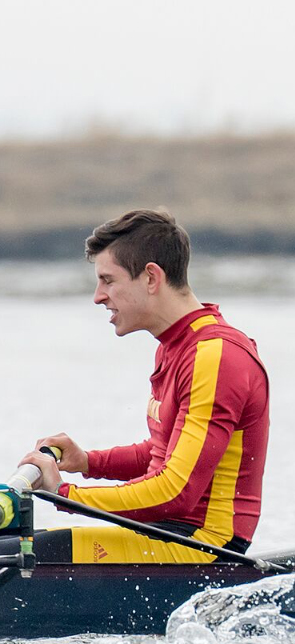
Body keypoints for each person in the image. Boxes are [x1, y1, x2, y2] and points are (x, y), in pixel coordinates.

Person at [11, 209, 271, 563]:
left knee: (32, 554)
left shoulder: (216, 356)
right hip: (165, 534)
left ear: (151, 277)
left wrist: (65, 493)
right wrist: (88, 461)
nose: (98, 296)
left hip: (203, 547)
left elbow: (174, 491)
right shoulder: (177, 345)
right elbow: (163, 452)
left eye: (108, 280)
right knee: (14, 545)